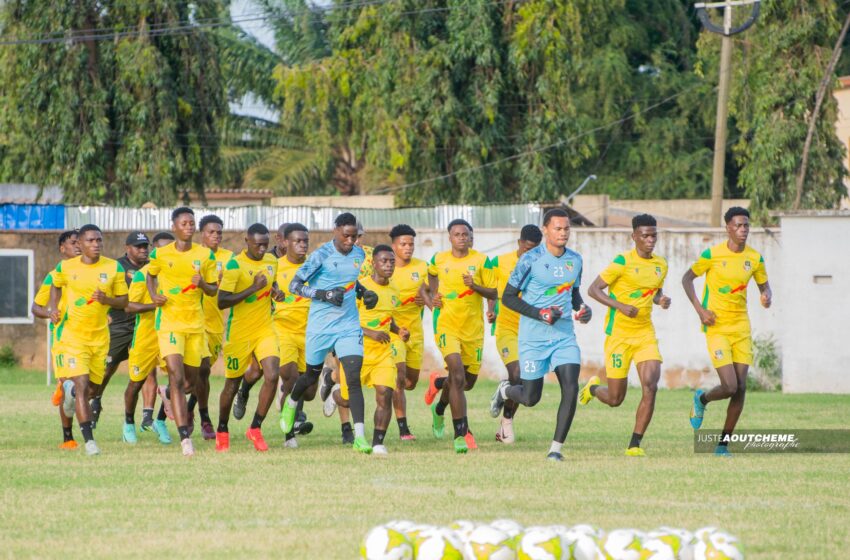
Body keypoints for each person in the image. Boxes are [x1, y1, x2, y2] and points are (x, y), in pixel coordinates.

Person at [489, 209, 593, 461]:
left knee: (570, 387)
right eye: (557, 228)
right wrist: (540, 313)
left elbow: (574, 293)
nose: (563, 233)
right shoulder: (529, 260)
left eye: (566, 228)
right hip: (533, 338)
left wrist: (583, 309)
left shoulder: (575, 260)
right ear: (545, 230)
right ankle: (505, 391)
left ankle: (555, 450)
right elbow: (509, 298)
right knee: (530, 397)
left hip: (563, 336)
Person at [279, 212, 378, 454]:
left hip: (348, 324)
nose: (351, 241)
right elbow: (295, 285)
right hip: (320, 326)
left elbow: (351, 282)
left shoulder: (359, 254)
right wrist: (323, 295)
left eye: (354, 236)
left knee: (352, 378)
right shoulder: (320, 255)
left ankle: (360, 437)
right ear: (335, 230)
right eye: (346, 236)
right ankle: (291, 403)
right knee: (309, 377)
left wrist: (364, 293)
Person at [682, 206, 771, 456]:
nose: (743, 230)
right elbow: (686, 279)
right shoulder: (712, 254)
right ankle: (702, 400)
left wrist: (766, 295)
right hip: (717, 327)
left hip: (741, 327)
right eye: (738, 225)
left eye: (746, 226)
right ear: (728, 228)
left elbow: (765, 286)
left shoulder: (754, 258)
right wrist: (701, 310)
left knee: (741, 387)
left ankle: (722, 445)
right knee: (729, 386)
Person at [580, 214, 671, 456]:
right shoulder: (622, 262)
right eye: (645, 235)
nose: (650, 240)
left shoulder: (661, 264)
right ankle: (591, 389)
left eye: (653, 235)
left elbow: (653, 291)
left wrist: (660, 299)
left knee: (650, 386)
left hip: (645, 334)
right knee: (615, 398)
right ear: (634, 237)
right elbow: (593, 290)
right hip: (618, 336)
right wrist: (620, 306)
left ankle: (634, 445)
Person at [48, 224, 129, 455]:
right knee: (83, 386)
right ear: (80, 244)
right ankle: (89, 441)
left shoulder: (113, 268)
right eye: (91, 241)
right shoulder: (66, 266)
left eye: (99, 240)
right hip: (73, 337)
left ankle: (71, 393)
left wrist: (106, 299)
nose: (96, 244)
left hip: (100, 338)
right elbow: (55, 285)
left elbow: (123, 301)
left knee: (93, 389)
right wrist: (54, 309)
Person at [147, 207, 219, 457]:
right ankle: (184, 437)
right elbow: (150, 275)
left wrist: (204, 284)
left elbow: (213, 290)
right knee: (176, 378)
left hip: (195, 326)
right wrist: (154, 294)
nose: (189, 226)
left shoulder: (205, 255)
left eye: (192, 223)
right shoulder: (160, 254)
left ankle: (166, 394)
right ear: (175, 226)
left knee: (190, 381)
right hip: (170, 325)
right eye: (185, 223)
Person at [424, 219, 497, 453]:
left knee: (466, 383)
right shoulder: (439, 259)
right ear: (450, 237)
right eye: (457, 234)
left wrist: (478, 290)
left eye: (465, 234)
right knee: (456, 374)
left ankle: (439, 403)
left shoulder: (481, 260)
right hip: (446, 324)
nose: (462, 238)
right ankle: (461, 433)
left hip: (473, 329)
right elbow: (429, 281)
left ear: (470, 237)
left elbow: (494, 291)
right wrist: (434, 297)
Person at [331, 245, 407, 455]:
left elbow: (386, 319)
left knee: (385, 393)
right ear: (373, 263)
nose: (389, 265)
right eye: (384, 261)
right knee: (346, 399)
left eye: (392, 261)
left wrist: (398, 330)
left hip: (383, 353)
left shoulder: (394, 290)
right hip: (356, 350)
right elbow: (343, 319)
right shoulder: (359, 288)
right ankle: (333, 392)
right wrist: (370, 333)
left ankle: (378, 443)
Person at [215, 223, 282, 452]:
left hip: (265, 328)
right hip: (239, 333)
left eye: (265, 245)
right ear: (247, 242)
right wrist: (252, 289)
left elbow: (272, 284)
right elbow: (222, 301)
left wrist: (276, 292)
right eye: (258, 245)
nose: (262, 249)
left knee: (273, 374)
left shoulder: (272, 261)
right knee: (231, 384)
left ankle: (255, 428)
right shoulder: (235, 265)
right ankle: (222, 429)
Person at [89, 231, 152, 429]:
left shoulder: (152, 267)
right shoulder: (117, 267)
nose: (143, 250)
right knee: (106, 369)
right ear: (127, 248)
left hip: (143, 326)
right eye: (138, 247)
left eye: (145, 246)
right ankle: (96, 399)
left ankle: (147, 416)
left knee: (148, 371)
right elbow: (104, 294)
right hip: (119, 326)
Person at [487, 225, 542, 444]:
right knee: (517, 373)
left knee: (527, 383)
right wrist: (490, 308)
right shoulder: (500, 262)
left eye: (535, 249)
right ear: (519, 243)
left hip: (532, 331)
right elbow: (492, 289)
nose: (531, 253)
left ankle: (504, 419)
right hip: (507, 328)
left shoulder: (542, 265)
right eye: (527, 248)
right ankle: (508, 421)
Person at [121, 232, 176, 445]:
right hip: (145, 337)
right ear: (155, 252)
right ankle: (128, 423)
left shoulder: (178, 273)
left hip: (171, 335)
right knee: (135, 383)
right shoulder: (141, 275)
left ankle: (160, 421)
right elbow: (128, 306)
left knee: (179, 380)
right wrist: (155, 305)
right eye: (162, 249)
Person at [31, 230, 81, 449]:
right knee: (72, 383)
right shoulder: (55, 275)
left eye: (81, 242)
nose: (78, 246)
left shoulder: (95, 271)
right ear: (63, 248)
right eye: (73, 243)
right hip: (65, 338)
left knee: (87, 389)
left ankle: (64, 388)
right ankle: (68, 437)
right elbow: (36, 307)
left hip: (92, 338)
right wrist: (50, 314)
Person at [189, 214, 233, 441]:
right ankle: (205, 419)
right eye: (211, 232)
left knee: (199, 377)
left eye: (219, 232)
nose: (216, 236)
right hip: (194, 323)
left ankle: (184, 406)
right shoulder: (194, 255)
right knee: (203, 369)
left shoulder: (229, 258)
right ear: (201, 234)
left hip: (216, 324)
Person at [387, 224, 431, 441]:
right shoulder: (386, 268)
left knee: (410, 383)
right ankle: (404, 429)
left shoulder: (422, 267)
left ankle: (334, 377)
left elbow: (432, 291)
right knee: (399, 378)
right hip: (393, 332)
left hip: (415, 331)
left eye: (411, 244)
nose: (408, 248)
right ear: (393, 245)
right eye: (403, 244)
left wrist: (426, 298)